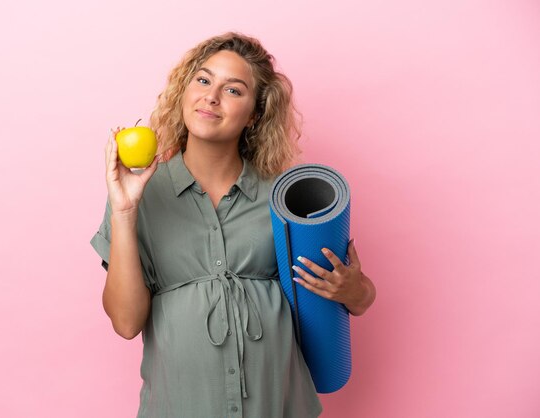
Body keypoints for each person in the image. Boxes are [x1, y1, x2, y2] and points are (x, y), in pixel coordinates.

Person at [90, 32, 376, 418]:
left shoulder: (284, 197)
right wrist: (124, 212)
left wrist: (354, 290)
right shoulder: (138, 194)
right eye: (204, 80)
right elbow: (125, 323)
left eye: (234, 90)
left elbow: (358, 299)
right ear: (184, 92)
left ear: (255, 114)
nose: (211, 96)